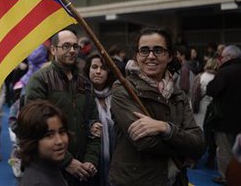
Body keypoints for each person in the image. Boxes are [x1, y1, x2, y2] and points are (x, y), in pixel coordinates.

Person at [109, 27, 205, 186]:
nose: (151, 56)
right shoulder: (123, 89)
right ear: (137, 55)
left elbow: (199, 143)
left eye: (158, 50)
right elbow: (144, 141)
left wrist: (165, 128)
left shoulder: (177, 93)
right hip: (136, 180)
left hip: (175, 180)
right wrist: (185, 149)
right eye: (144, 50)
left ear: (169, 56)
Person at [26, 29, 100, 186]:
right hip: (50, 169)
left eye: (75, 46)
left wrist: (91, 160)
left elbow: (94, 125)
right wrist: (67, 161)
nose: (72, 50)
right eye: (66, 46)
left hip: (83, 170)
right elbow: (34, 126)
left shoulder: (85, 84)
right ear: (53, 50)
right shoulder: (40, 80)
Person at [206, 45, 241, 185]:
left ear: (228, 57)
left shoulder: (225, 72)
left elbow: (212, 90)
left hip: (225, 120)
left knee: (225, 150)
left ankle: (226, 177)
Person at [17, 100, 70, 186]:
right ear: (32, 140)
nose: (59, 141)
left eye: (62, 132)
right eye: (49, 135)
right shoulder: (38, 182)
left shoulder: (49, 166)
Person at [84, 53, 116, 186]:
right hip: (91, 161)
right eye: (94, 67)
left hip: (117, 160)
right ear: (88, 70)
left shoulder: (118, 95)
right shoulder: (81, 95)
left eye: (103, 68)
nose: (98, 72)